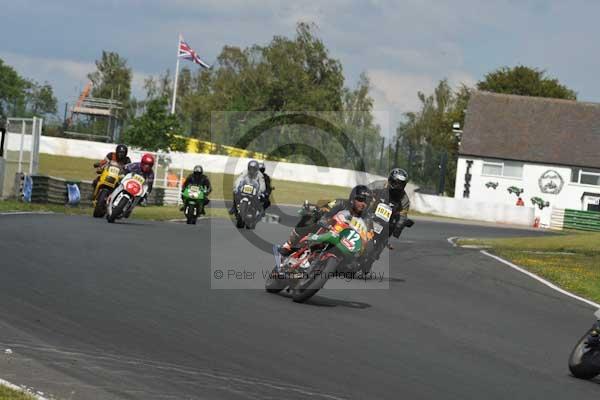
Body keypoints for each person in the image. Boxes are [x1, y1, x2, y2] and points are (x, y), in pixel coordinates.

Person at [278, 184, 374, 256]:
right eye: (360, 199)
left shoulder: (368, 219)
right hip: (329, 230)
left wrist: (367, 246)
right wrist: (323, 219)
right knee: (311, 217)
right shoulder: (340, 203)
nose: (363, 204)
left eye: (366, 201)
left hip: (346, 244)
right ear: (353, 198)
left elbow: (369, 238)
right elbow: (325, 210)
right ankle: (289, 244)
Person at [368, 168, 411, 240]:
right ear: (390, 180)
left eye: (401, 184)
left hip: (387, 224)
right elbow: (364, 190)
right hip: (370, 214)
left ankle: (382, 242)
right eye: (396, 183)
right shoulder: (379, 185)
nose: (398, 186)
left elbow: (403, 215)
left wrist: (399, 226)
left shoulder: (404, 199)